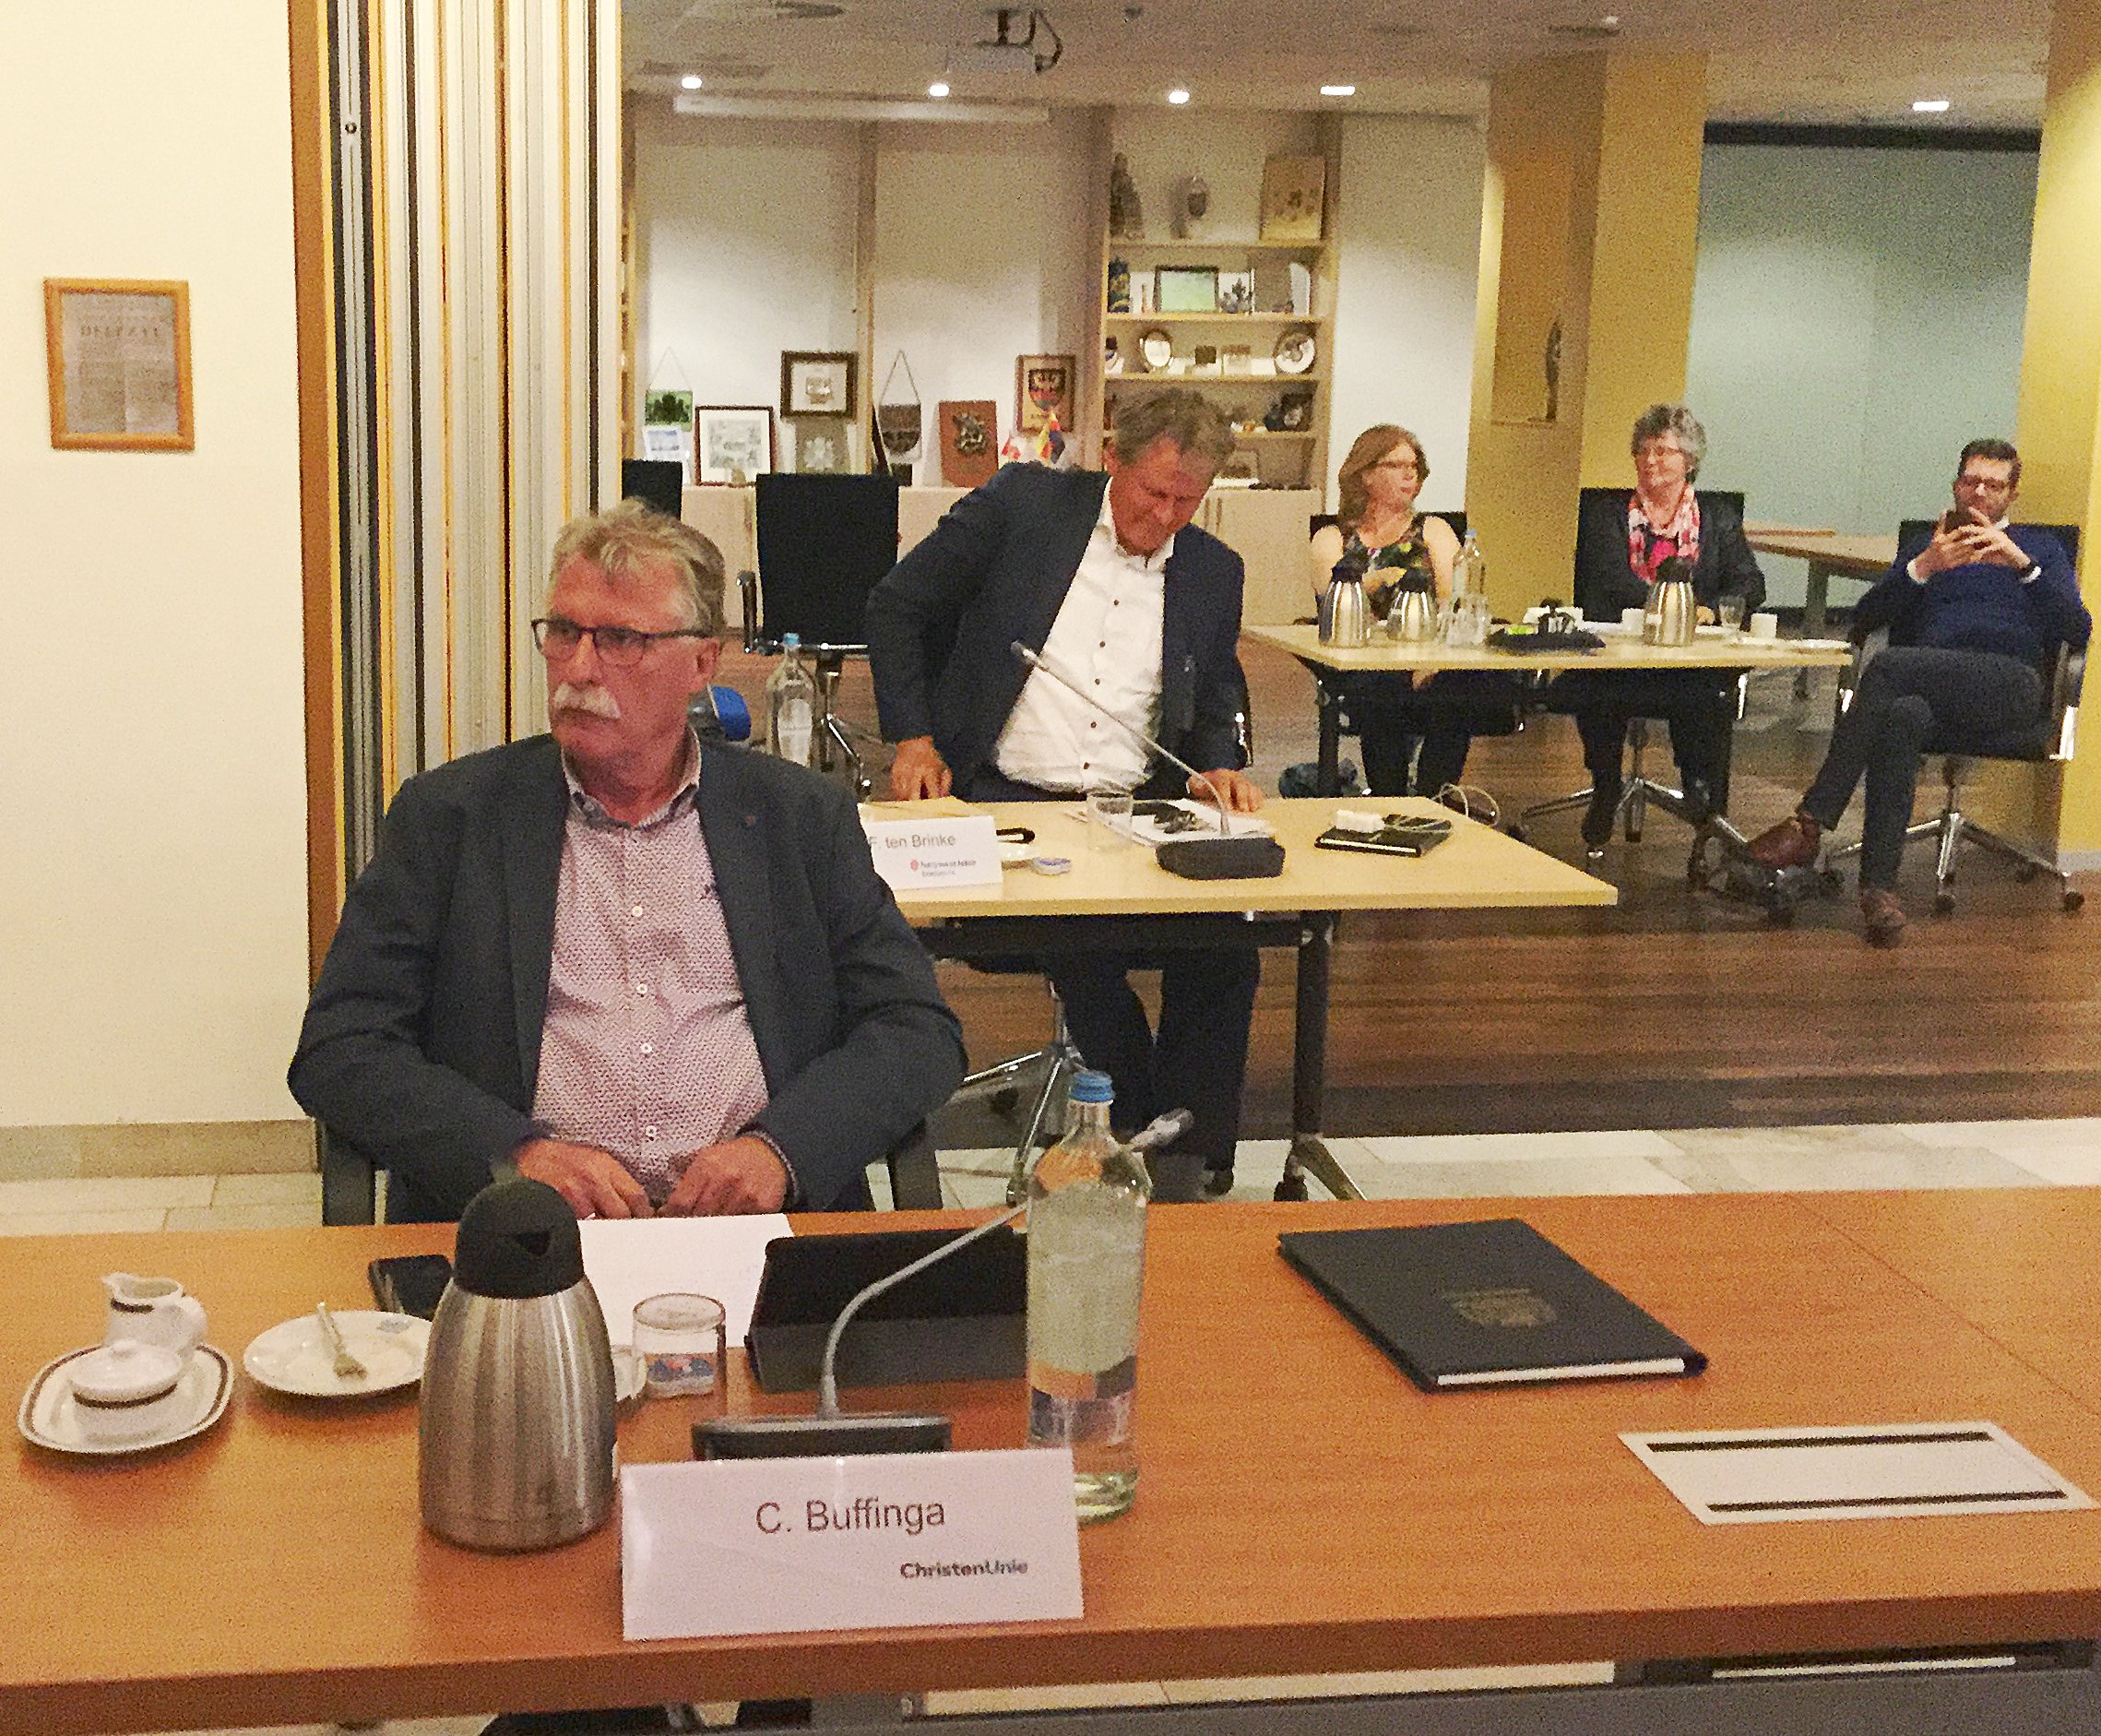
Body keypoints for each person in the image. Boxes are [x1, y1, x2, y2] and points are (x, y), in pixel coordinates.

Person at [290, 501, 965, 1222]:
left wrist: (781, 1152)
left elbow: (915, 1028)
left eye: (620, 640)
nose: (579, 669)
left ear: (701, 663)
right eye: (564, 633)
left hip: (756, 1231)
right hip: (528, 1239)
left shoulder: (798, 819)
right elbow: (341, 1048)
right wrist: (515, 1156)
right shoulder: (450, 820)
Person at [865, 389, 1262, 1201]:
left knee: (1228, 947)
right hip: (1008, 800)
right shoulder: (1025, 507)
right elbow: (897, 604)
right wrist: (914, 738)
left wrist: (1216, 762)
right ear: (1113, 458)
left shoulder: (1215, 570)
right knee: (1085, 941)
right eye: (1153, 492)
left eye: (1187, 501)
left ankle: (1192, 1155)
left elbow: (1218, 684)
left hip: (1132, 806)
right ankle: (1145, 1142)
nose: (1165, 517)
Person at [1745, 438, 2090, 945]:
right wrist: (1923, 567)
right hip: (1930, 685)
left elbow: (2078, 630)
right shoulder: (1930, 547)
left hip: (2010, 684)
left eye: (1993, 485)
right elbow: (1866, 618)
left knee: (1888, 668)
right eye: (1971, 481)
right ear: (1955, 486)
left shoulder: (2038, 548)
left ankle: (1811, 822)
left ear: (2011, 495)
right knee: (1902, 714)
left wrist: (2022, 566)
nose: (1980, 493)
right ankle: (1879, 892)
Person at [1553, 403, 1767, 843]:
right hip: (1622, 657)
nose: (1650, 460)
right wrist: (1673, 607)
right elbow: (1606, 582)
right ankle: (1606, 785)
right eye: (1643, 451)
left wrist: (1710, 609)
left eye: (1663, 451)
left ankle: (1703, 800)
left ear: (1689, 460)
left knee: (1706, 692)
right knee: (1596, 685)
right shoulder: (1607, 514)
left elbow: (1750, 583)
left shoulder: (1718, 518)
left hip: (1691, 659)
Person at [1309, 424, 1516, 795]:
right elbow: (1334, 604)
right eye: (1397, 465)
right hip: (1366, 667)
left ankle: (1435, 798)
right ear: (1366, 473)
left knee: (1457, 685)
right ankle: (1390, 800)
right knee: (1382, 688)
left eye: (1415, 466)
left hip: (1429, 664)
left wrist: (1429, 661)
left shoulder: (1434, 530)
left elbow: (1454, 603)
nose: (1410, 474)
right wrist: (1375, 580)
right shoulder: (1332, 538)